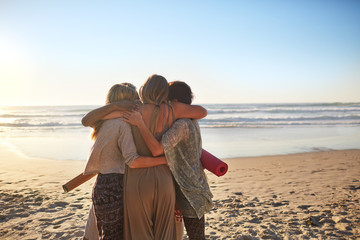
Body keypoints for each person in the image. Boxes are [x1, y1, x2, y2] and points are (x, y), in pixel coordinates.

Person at [82, 74, 207, 240]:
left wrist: (116, 107)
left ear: (143, 90)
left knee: (140, 233)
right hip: (164, 179)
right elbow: (202, 111)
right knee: (164, 233)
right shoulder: (173, 110)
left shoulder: (133, 110)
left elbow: (89, 120)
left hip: (137, 180)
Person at [123, 81, 213, 240]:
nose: (164, 104)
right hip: (192, 186)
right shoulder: (191, 120)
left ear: (175, 101)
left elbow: (157, 149)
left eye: (167, 100)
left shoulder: (182, 125)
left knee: (196, 237)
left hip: (189, 192)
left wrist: (140, 123)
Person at [82, 83, 167, 240]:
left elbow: (85, 120)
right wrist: (164, 160)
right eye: (135, 99)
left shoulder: (101, 122)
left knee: (101, 233)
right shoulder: (123, 124)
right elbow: (132, 161)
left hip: (101, 185)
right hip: (116, 186)